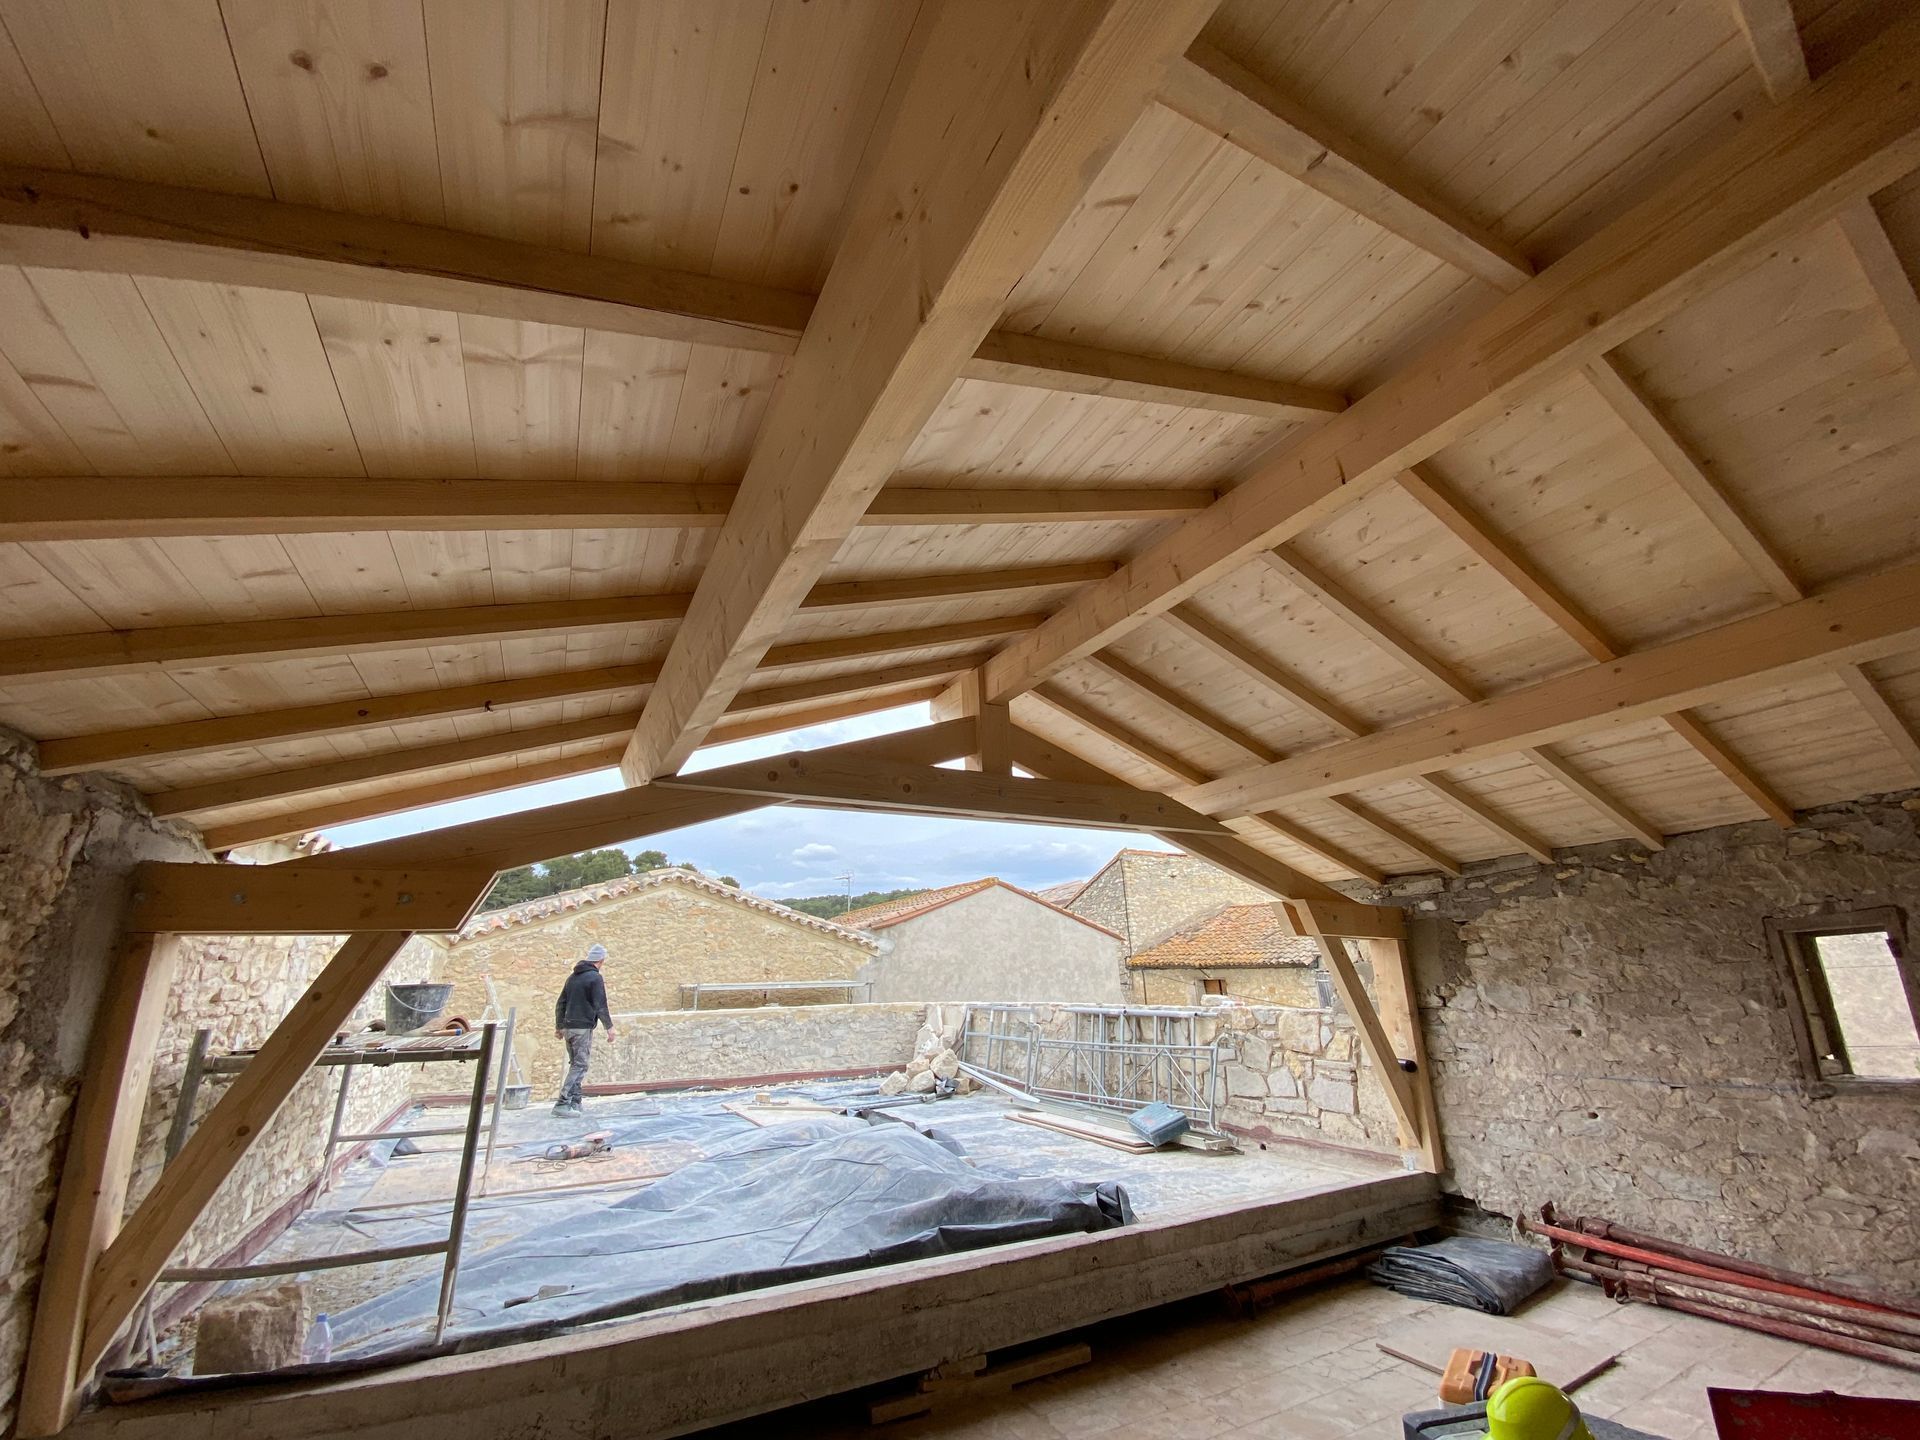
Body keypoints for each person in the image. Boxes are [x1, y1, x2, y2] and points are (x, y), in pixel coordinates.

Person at [553, 942, 617, 1116]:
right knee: (580, 1065)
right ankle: (562, 1103)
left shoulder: (572, 978)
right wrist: (609, 1028)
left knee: (575, 1064)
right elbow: (600, 1004)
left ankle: (575, 1101)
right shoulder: (595, 978)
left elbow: (561, 1003)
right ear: (601, 960)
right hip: (582, 1028)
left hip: (568, 1027)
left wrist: (559, 1026)